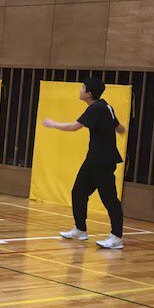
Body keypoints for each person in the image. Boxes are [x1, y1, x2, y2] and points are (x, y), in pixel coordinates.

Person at [42, 76, 125, 249]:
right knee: (78, 192)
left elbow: (75, 127)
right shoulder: (106, 106)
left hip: (102, 160)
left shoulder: (96, 108)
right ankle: (80, 230)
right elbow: (119, 128)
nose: (80, 90)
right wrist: (117, 131)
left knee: (109, 198)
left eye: (82, 87)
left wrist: (52, 124)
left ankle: (117, 237)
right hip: (94, 159)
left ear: (89, 93)